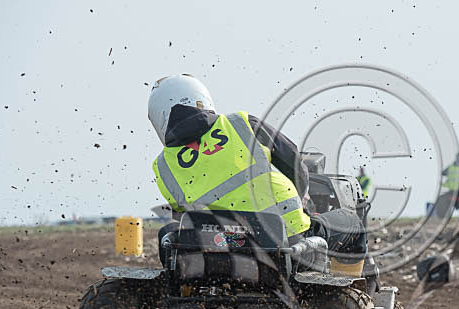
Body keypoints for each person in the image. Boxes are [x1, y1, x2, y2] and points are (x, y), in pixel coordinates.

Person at [149, 74, 367, 271]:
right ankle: (349, 290)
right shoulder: (241, 124)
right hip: (288, 249)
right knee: (352, 222)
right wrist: (303, 204)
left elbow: (186, 218)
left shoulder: (163, 167)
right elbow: (295, 165)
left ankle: (179, 286)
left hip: (218, 256)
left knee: (166, 233)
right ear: (203, 100)